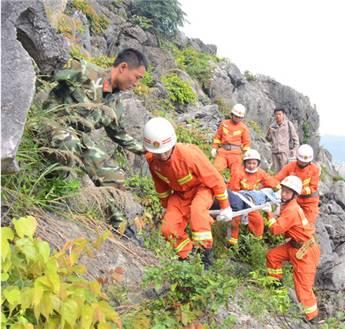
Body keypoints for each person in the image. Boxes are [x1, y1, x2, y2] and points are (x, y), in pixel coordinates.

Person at [43, 48, 147, 232]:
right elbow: (45, 73)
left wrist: (146, 150)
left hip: (79, 139)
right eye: (137, 77)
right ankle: (54, 197)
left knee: (114, 174)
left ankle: (121, 228)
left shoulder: (116, 104)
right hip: (51, 125)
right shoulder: (84, 72)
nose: (137, 84)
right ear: (123, 67)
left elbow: (118, 134)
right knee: (69, 142)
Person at [144, 117, 233, 269]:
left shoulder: (189, 155)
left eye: (165, 152)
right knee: (168, 228)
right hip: (179, 194)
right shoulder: (152, 159)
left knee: (197, 213)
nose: (163, 156)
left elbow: (214, 178)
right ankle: (188, 256)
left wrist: (225, 206)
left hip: (202, 188)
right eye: (158, 153)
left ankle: (205, 258)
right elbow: (160, 184)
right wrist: (168, 207)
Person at [266, 175, 321, 323]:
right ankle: (276, 284)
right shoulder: (289, 206)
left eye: (287, 192)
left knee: (303, 288)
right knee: (273, 256)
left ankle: (313, 317)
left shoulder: (292, 210)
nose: (283, 194)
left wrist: (269, 215)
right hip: (294, 246)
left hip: (306, 251)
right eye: (283, 191)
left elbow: (275, 230)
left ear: (294, 195)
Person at [226, 149, 280, 245]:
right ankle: (231, 243)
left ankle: (255, 242)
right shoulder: (238, 173)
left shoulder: (260, 173)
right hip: (238, 200)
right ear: (245, 163)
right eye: (249, 163)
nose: (251, 166)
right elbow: (233, 191)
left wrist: (279, 188)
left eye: (254, 163)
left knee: (258, 221)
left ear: (258, 164)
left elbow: (269, 180)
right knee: (235, 220)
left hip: (251, 202)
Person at [274, 144, 320, 226]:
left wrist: (299, 191)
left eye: (305, 162)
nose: (302, 163)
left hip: (309, 202)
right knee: (287, 221)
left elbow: (313, 187)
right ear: (297, 158)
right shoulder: (290, 166)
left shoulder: (314, 170)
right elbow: (277, 178)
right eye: (301, 161)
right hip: (292, 199)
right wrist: (274, 186)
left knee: (307, 225)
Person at [211, 103, 251, 174]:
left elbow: (246, 143)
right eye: (236, 116)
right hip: (222, 152)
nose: (238, 118)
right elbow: (217, 137)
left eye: (240, 117)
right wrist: (214, 148)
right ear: (232, 114)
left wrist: (245, 154)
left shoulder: (243, 128)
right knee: (215, 171)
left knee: (236, 174)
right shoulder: (224, 124)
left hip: (236, 154)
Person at [266, 108, 299, 172]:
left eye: (279, 114)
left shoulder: (288, 124)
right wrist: (268, 133)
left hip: (285, 152)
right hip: (274, 152)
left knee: (285, 171)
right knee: (276, 173)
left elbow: (295, 139)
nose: (277, 116)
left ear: (283, 115)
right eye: (276, 114)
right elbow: (268, 139)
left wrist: (294, 150)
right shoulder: (272, 125)